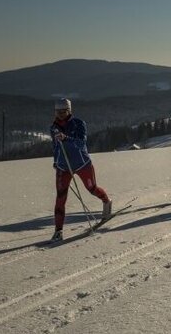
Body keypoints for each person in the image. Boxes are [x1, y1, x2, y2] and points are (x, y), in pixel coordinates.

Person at [50, 98, 111, 243]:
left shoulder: (78, 123)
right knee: (60, 197)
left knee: (92, 188)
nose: (60, 115)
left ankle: (106, 202)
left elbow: (81, 142)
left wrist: (66, 138)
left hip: (82, 163)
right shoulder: (53, 128)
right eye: (58, 112)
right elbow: (55, 147)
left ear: (69, 111)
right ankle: (58, 231)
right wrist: (56, 161)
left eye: (63, 112)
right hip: (63, 166)